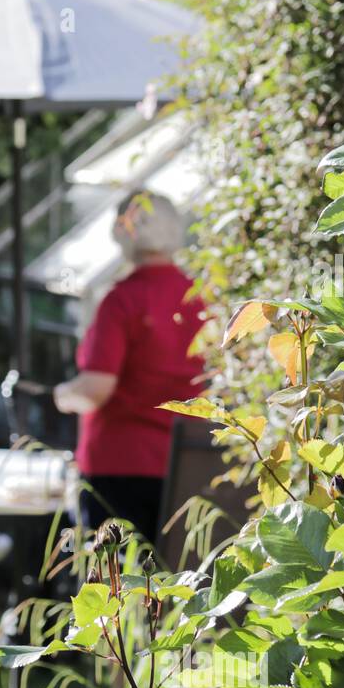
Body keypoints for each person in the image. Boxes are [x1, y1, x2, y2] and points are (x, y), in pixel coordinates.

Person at [52, 188, 205, 544]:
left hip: (120, 466)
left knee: (115, 585)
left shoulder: (122, 300)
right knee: (175, 581)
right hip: (187, 464)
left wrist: (60, 396)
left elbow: (94, 390)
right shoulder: (200, 297)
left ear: (122, 233)